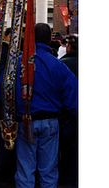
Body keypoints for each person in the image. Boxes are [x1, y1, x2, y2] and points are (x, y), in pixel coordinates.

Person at [12, 23, 78, 188]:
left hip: (25, 120)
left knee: (25, 171)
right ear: (50, 40)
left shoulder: (17, 63)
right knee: (48, 172)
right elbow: (73, 96)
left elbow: (3, 89)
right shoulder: (58, 65)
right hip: (50, 121)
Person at [0, 27, 17, 185]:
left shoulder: (3, 50)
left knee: (6, 137)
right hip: (13, 101)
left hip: (5, 100)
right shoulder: (14, 52)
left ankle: (4, 168)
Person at [58, 34, 78, 187]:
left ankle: (67, 178)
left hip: (67, 115)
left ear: (69, 47)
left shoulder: (62, 64)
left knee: (67, 149)